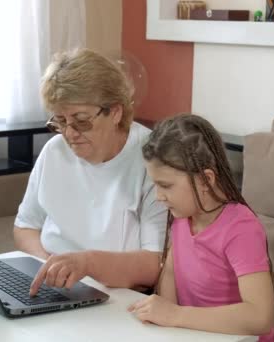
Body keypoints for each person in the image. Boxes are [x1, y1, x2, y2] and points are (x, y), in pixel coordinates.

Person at [12, 48, 167, 295]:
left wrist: (86, 265)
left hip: (116, 294)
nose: (70, 133)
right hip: (57, 289)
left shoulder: (152, 159)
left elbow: (154, 264)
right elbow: (25, 227)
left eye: (81, 120)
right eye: (61, 121)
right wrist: (49, 270)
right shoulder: (54, 152)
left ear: (115, 112)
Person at [128, 114, 274, 342]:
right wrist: (164, 319)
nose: (158, 197)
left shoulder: (241, 228)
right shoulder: (181, 215)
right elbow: (170, 272)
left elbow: (260, 317)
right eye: (155, 184)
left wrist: (175, 315)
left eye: (165, 185)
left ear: (205, 180)